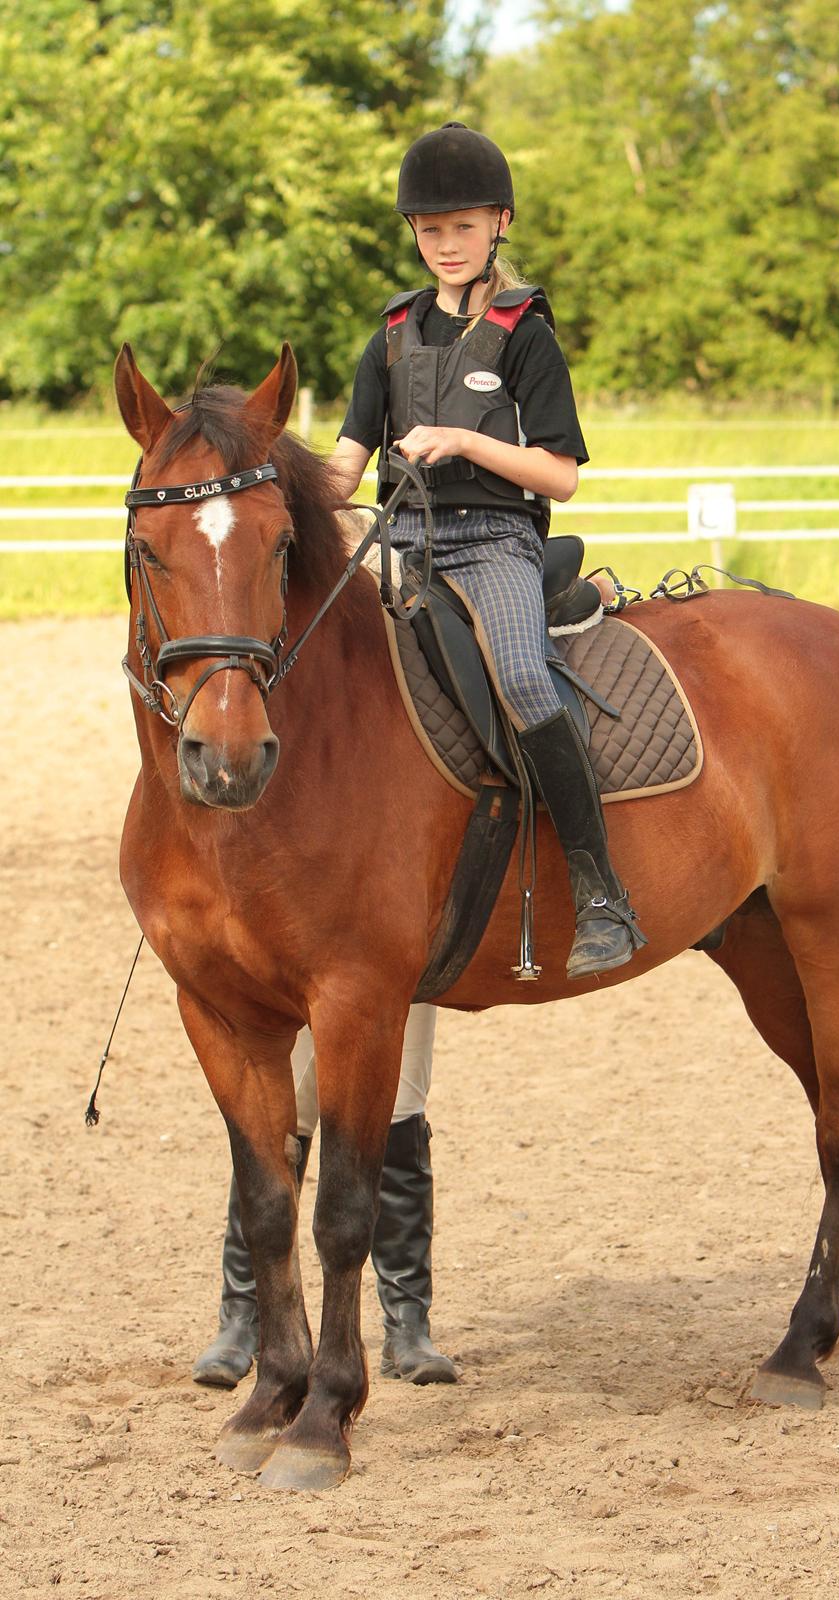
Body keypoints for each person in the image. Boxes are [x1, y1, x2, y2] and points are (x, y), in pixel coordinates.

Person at [328, 120, 647, 982]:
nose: (445, 245)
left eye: (462, 227)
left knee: (519, 675)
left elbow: (559, 476)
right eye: (430, 231)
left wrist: (462, 444)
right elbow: (343, 471)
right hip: (398, 540)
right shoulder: (389, 335)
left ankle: (600, 892)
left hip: (493, 541)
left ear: (498, 222)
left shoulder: (525, 335)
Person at [193, 1005, 458, 1388]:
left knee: (398, 1109)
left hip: (390, 962)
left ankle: (407, 1323)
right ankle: (242, 1316)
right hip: (298, 959)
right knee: (282, 1114)